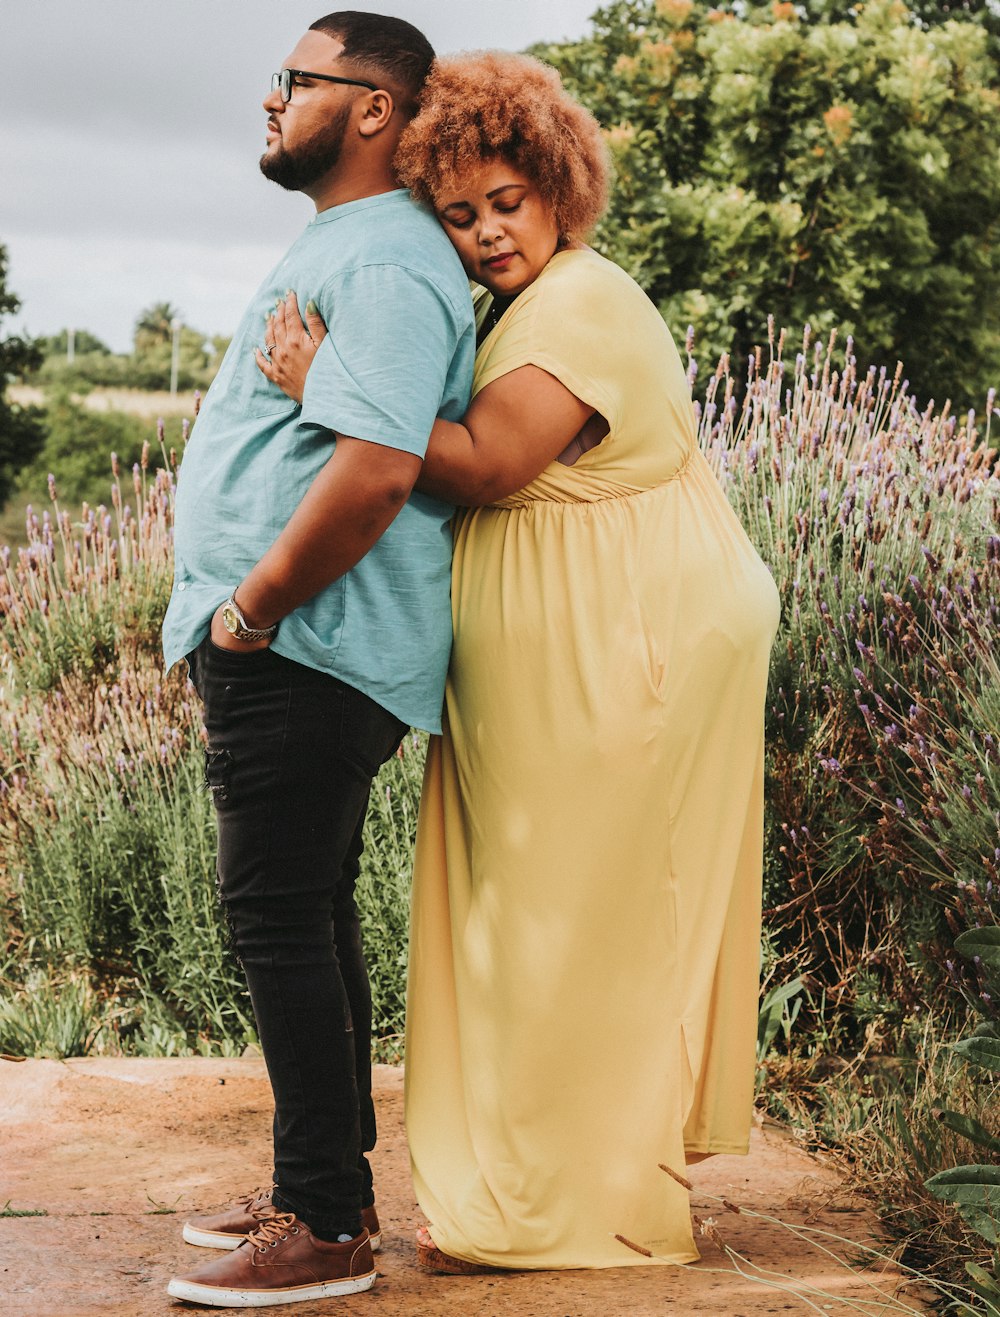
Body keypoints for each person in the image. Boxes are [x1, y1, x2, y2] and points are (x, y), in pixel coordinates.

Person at [264, 50, 780, 1274]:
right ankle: (549, 1171)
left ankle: (584, 1199)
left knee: (578, 923)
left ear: (560, 187)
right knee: (548, 918)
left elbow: (491, 463)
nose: (489, 232)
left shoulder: (584, 302)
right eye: (460, 213)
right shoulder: (532, 304)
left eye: (508, 202)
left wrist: (324, 379)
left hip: (627, 651)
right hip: (586, 650)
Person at [159, 13, 475, 1307]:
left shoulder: (393, 259)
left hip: (308, 641)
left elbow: (379, 468)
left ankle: (332, 1228)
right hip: (295, 640)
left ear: (375, 109)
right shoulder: (351, 241)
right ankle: (317, 1184)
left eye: (297, 81)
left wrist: (255, 607)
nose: (272, 99)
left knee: (275, 914)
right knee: (308, 909)